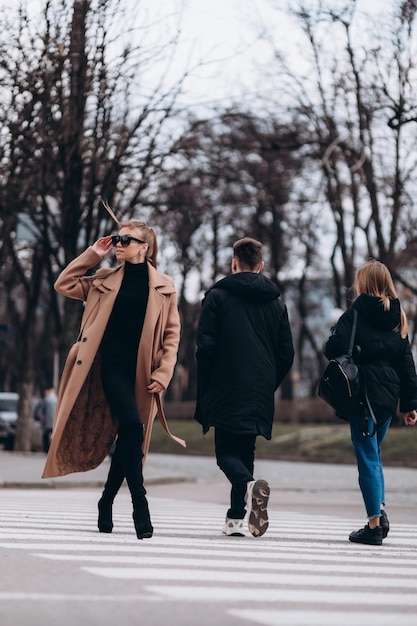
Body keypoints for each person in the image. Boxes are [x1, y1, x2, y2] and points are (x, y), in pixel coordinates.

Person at [42, 219, 185, 540]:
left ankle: (106, 500)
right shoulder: (103, 280)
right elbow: (63, 284)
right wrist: (93, 254)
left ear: (144, 248)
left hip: (143, 372)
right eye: (117, 239)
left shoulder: (165, 286)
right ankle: (139, 503)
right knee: (133, 427)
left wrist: (164, 373)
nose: (119, 244)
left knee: (129, 436)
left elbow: (172, 338)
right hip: (109, 367)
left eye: (126, 240)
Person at [194, 237, 294, 537]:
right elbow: (286, 353)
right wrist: (268, 382)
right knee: (245, 449)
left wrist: (208, 381)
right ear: (260, 266)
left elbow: (205, 346)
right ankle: (237, 516)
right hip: (260, 387)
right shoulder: (277, 303)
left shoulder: (217, 297)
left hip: (225, 382)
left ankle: (247, 490)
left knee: (225, 452)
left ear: (233, 263)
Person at [324, 259, 417, 545]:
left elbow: (333, 349)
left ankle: (374, 524)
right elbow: (406, 363)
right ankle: (381, 511)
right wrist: (410, 404)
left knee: (367, 458)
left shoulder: (354, 314)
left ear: (363, 284)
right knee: (373, 455)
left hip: (363, 394)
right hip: (388, 397)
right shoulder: (398, 317)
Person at [39, 388, 57, 453]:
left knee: (46, 435)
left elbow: (43, 412)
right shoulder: (56, 399)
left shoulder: (46, 400)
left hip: (47, 422)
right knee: (53, 436)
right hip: (54, 421)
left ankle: (46, 449)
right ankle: (52, 449)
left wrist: (42, 421)